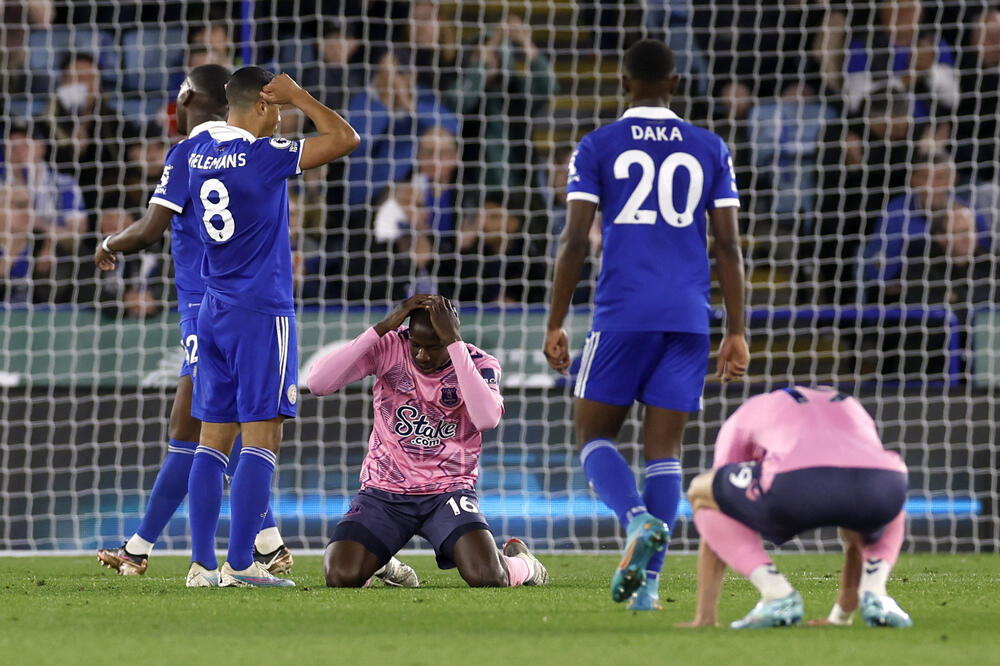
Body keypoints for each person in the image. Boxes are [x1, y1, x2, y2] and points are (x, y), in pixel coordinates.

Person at [543, 39, 748, 611]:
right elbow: (728, 246)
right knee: (666, 453)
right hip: (689, 318)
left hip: (623, 312)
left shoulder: (598, 145)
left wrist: (556, 320)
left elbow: (575, 241)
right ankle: (648, 590)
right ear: (676, 83)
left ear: (624, 83)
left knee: (592, 434)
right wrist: (736, 330)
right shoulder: (710, 147)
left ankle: (635, 520)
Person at [93, 65, 296, 577]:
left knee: (201, 430)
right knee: (222, 430)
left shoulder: (189, 154)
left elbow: (151, 228)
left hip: (205, 310)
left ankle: (173, 551)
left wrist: (110, 242)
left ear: (186, 97)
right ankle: (248, 546)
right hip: (237, 307)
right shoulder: (239, 154)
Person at [182, 67, 359, 588]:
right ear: (261, 105)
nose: (282, 117)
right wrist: (301, 95)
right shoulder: (264, 157)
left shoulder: (197, 153)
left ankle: (200, 565)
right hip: (261, 314)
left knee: (211, 442)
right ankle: (240, 566)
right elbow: (344, 138)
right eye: (276, 107)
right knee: (263, 439)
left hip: (211, 310)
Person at [308, 295, 548, 589]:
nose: (421, 355)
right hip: (384, 492)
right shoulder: (390, 346)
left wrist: (455, 346)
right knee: (340, 575)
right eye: (416, 345)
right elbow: (318, 383)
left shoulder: (479, 363)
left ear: (451, 339)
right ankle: (384, 562)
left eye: (433, 347)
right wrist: (383, 326)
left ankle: (523, 563)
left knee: (488, 576)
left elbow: (486, 419)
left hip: (447, 493)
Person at [679, 386, 912, 629]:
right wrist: (840, 617)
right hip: (886, 481)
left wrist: (704, 618)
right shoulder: (851, 405)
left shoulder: (745, 414)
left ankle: (776, 593)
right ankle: (876, 592)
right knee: (881, 508)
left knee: (702, 492)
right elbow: (857, 528)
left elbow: (718, 502)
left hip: (795, 482)